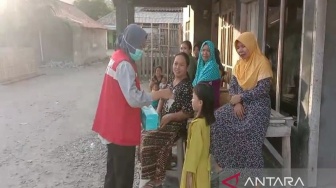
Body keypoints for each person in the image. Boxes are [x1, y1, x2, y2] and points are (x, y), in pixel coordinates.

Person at [92, 24, 173, 188]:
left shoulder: (117, 56)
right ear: (131, 42)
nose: (142, 50)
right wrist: (158, 94)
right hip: (120, 129)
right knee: (123, 175)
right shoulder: (124, 64)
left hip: (112, 125)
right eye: (141, 46)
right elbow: (133, 99)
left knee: (113, 173)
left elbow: (127, 91)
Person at [210, 32, 273, 187]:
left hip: (258, 104)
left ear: (251, 45)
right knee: (216, 119)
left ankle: (256, 181)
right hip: (240, 103)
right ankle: (225, 165)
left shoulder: (262, 62)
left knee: (249, 134)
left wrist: (242, 98)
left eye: (243, 46)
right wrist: (236, 102)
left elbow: (263, 89)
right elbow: (234, 87)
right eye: (238, 47)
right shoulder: (239, 64)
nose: (240, 50)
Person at [140, 52, 194, 188]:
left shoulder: (187, 86)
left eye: (181, 65)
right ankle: (150, 174)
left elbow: (188, 112)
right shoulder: (172, 81)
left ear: (187, 67)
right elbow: (163, 99)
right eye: (175, 64)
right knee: (142, 133)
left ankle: (156, 178)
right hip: (164, 120)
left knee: (148, 139)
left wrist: (170, 116)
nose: (177, 67)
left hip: (176, 125)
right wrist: (157, 114)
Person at [180, 83, 215, 188]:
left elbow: (193, 153)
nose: (191, 100)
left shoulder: (197, 125)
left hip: (195, 171)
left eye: (193, 97)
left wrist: (189, 176)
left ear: (200, 103)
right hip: (204, 170)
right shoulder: (206, 122)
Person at [192, 40, 221, 109]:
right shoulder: (202, 66)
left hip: (210, 106)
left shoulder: (212, 65)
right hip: (201, 102)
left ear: (212, 53)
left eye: (208, 50)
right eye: (203, 50)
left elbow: (200, 85)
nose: (205, 53)